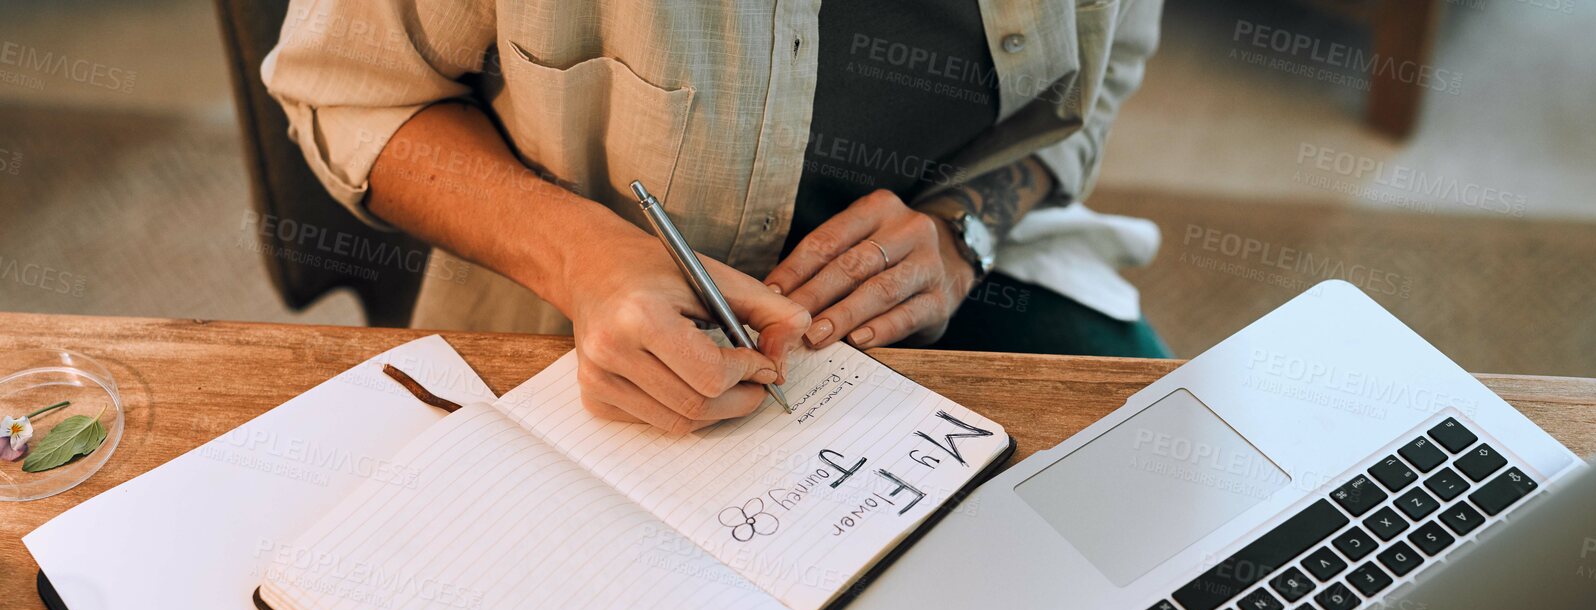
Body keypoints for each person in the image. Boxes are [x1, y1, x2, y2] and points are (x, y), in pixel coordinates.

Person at [264, 0, 1166, 434]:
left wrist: (965, 226)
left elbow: (1095, 78)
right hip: (594, 344)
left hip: (987, 281)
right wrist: (585, 257)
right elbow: (349, 97)